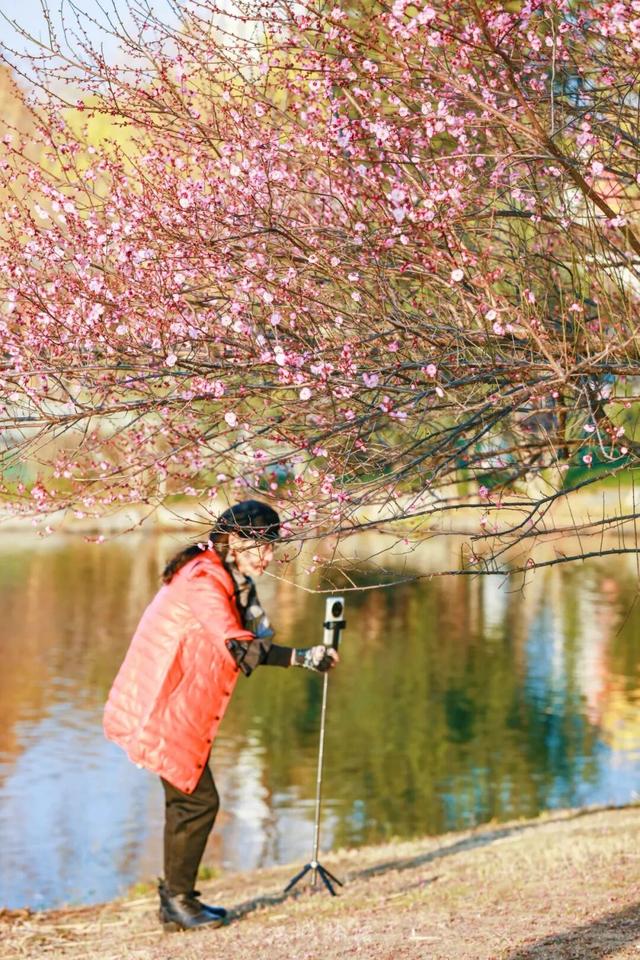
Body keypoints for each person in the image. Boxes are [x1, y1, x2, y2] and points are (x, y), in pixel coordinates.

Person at [103, 499, 338, 932]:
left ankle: (176, 901)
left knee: (186, 801)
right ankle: (178, 900)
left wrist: (293, 650)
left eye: (271, 548)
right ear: (231, 542)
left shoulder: (221, 573)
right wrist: (303, 657)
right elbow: (239, 645)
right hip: (162, 708)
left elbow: (246, 640)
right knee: (198, 802)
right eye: (258, 547)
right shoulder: (205, 580)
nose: (266, 558)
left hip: (170, 705)